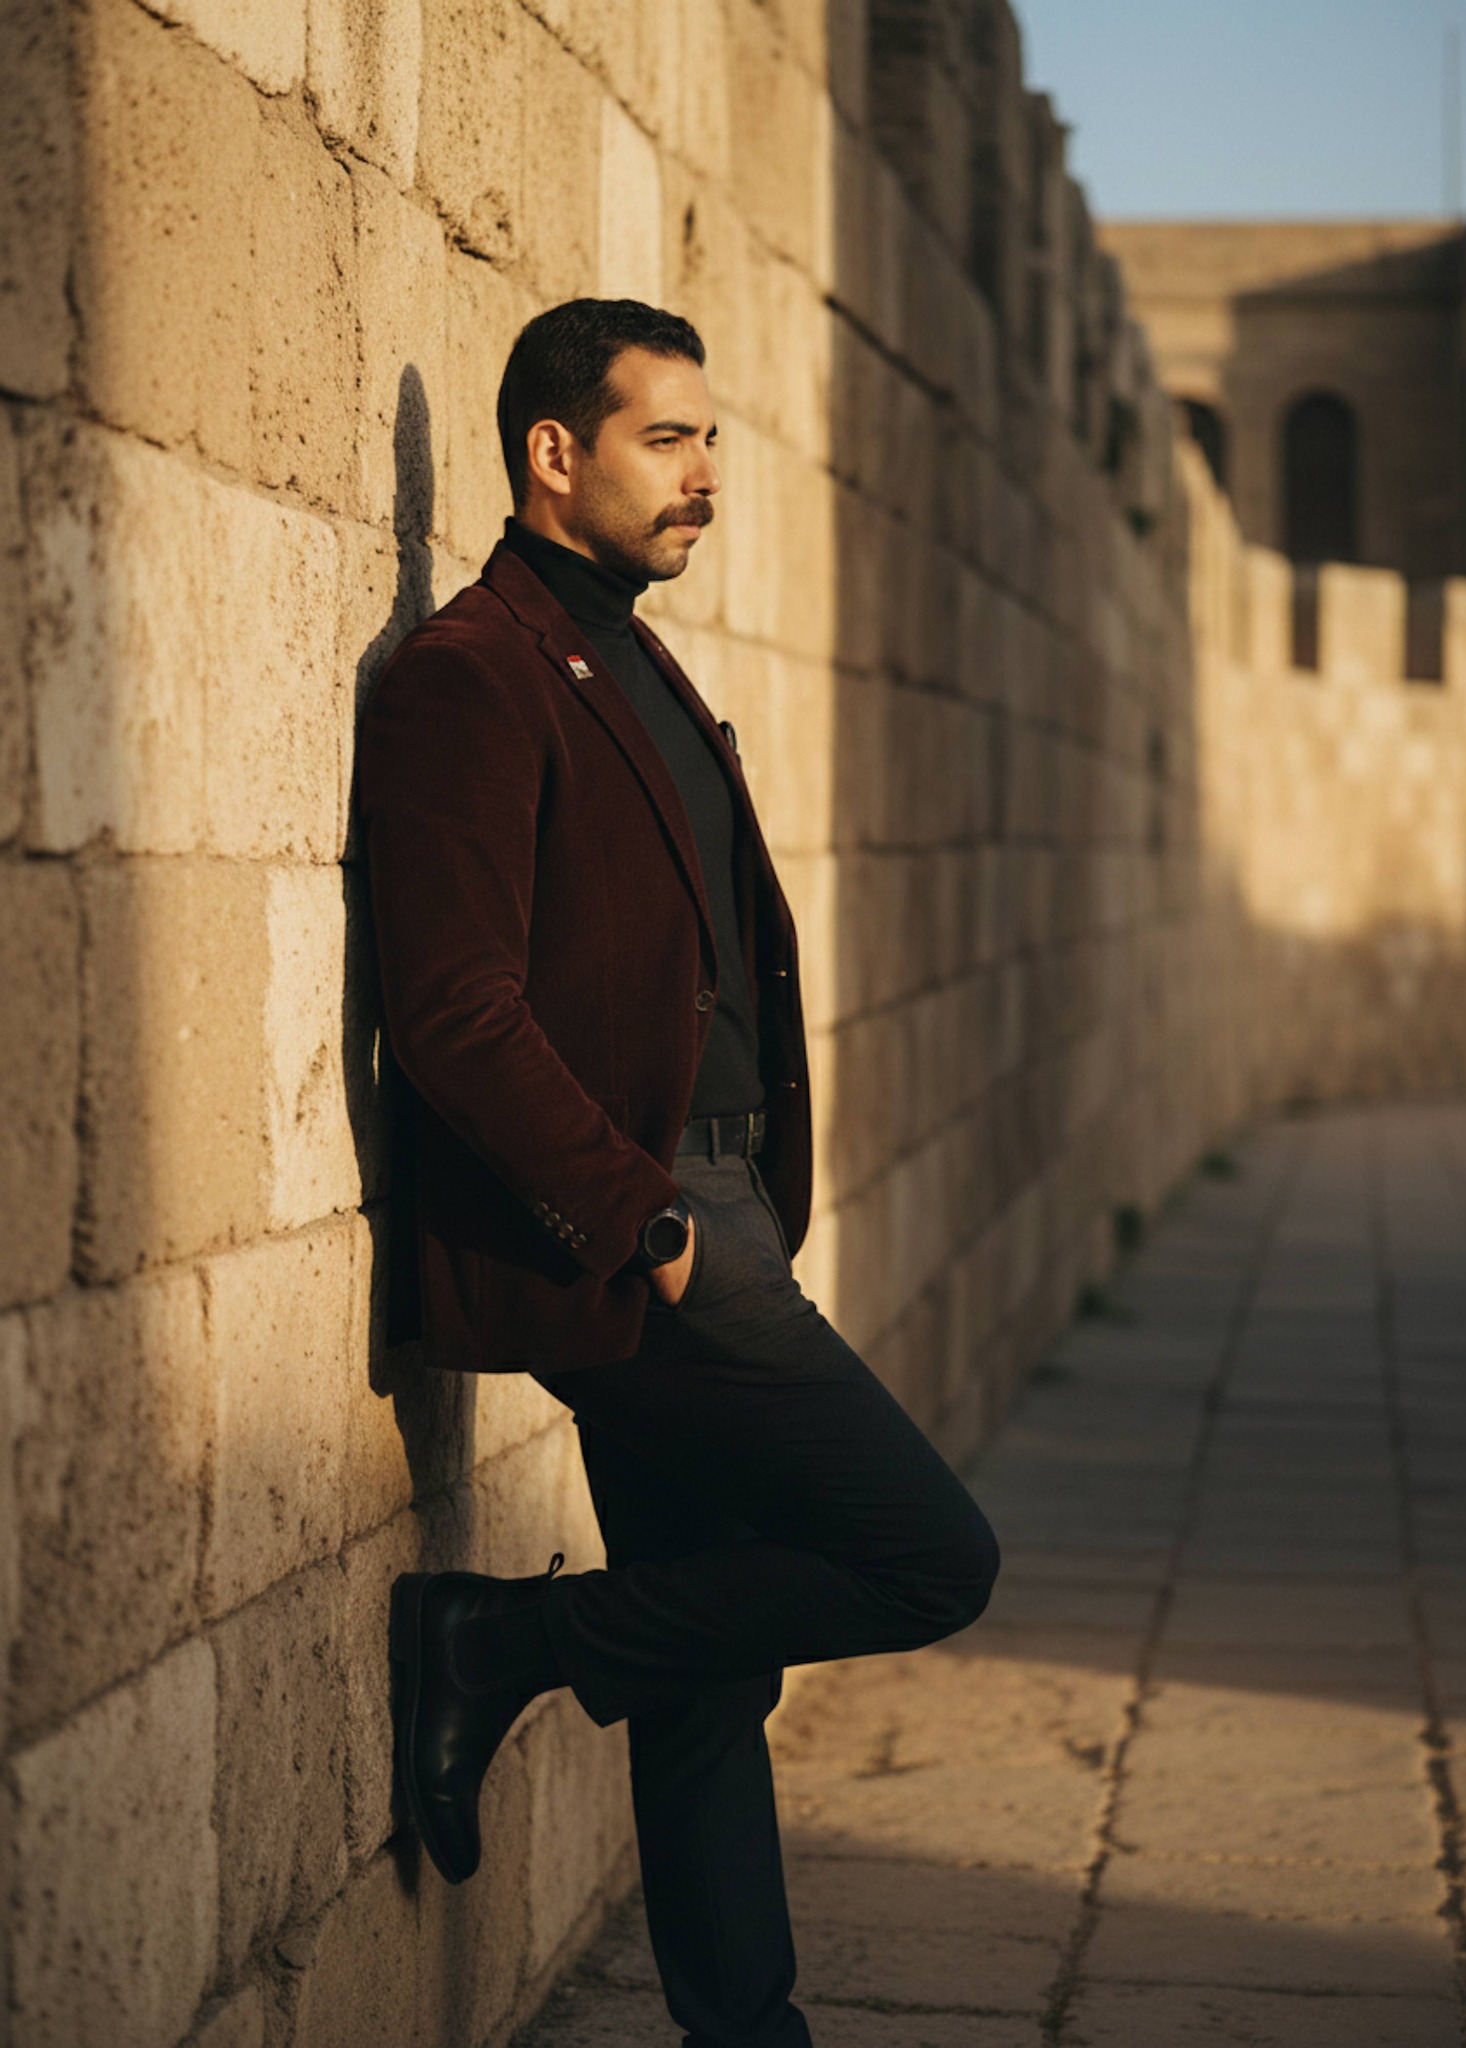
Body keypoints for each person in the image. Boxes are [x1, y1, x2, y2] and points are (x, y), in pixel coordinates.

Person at [357, 298, 1000, 2048]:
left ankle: (747, 2029)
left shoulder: (624, 652)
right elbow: (455, 1009)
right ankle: (495, 1642)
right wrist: (642, 1221)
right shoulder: (475, 672)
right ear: (553, 454)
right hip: (643, 1228)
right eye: (668, 438)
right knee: (931, 1558)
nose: (707, 476)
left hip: (710, 1206)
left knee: (710, 1670)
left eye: (714, 439)